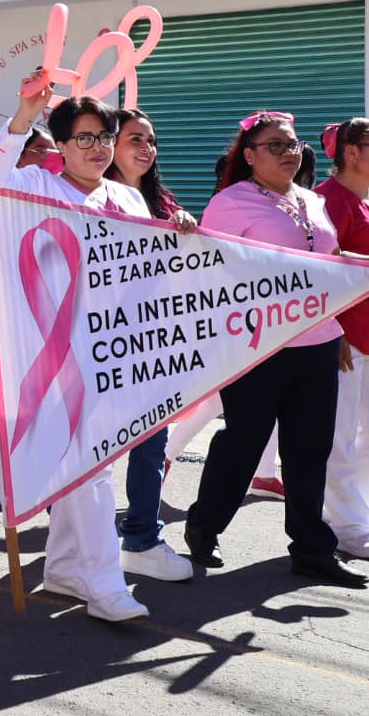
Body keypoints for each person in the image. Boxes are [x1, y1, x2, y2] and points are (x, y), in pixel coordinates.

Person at [0, 82, 153, 621]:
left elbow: (149, 266)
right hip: (51, 352)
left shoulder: (126, 196)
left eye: (104, 137)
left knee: (85, 463)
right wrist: (24, 112)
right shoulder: (34, 184)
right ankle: (105, 584)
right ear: (59, 145)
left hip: (112, 348)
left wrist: (181, 236)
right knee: (92, 464)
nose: (97, 149)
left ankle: (61, 567)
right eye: (84, 139)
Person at [185, 112, 367, 587]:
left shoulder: (313, 201)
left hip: (319, 344)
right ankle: (205, 524)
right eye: (275, 146)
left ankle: (312, 548)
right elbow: (212, 270)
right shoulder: (231, 202)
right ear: (249, 156)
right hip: (258, 347)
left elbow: (327, 263)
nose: (289, 153)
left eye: (293, 145)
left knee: (310, 452)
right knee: (242, 444)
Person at [102, 108, 199, 583]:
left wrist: (182, 225)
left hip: (155, 339)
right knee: (89, 444)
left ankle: (141, 535)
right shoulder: (85, 196)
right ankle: (78, 533)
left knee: (151, 442)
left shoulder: (160, 200)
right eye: (135, 139)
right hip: (99, 340)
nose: (147, 148)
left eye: (151, 140)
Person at [318, 116, 369, 560]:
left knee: (365, 437)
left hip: (367, 336)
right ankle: (346, 525)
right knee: (341, 438)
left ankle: (360, 515)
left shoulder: (363, 200)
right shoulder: (327, 201)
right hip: (345, 342)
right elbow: (321, 272)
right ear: (351, 152)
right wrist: (333, 333)